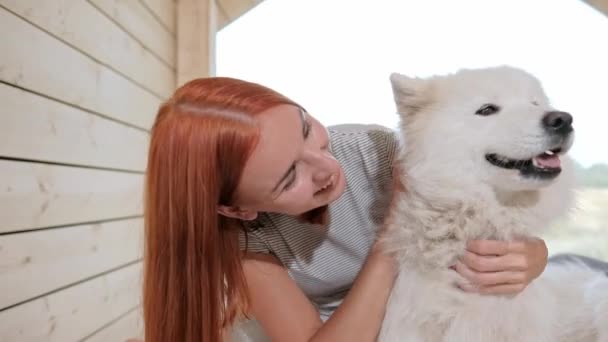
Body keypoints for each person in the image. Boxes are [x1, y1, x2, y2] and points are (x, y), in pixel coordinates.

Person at [141, 77, 576, 342]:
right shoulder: (250, 244)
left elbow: (482, 213)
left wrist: (533, 253)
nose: (325, 168)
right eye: (289, 177)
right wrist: (395, 228)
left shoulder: (372, 151)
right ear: (237, 210)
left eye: (307, 128)